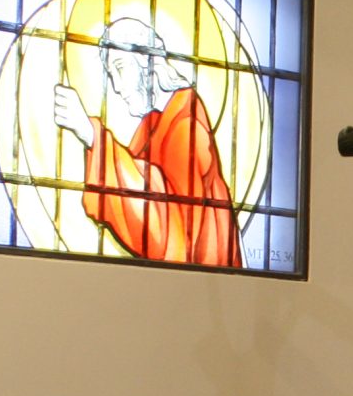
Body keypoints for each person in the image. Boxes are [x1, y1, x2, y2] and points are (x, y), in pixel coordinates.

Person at [54, 16, 239, 266]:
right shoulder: (152, 126)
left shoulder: (187, 122)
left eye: (120, 68)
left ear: (147, 59)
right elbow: (134, 185)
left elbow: (171, 229)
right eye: (111, 75)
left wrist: (91, 134)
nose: (116, 87)